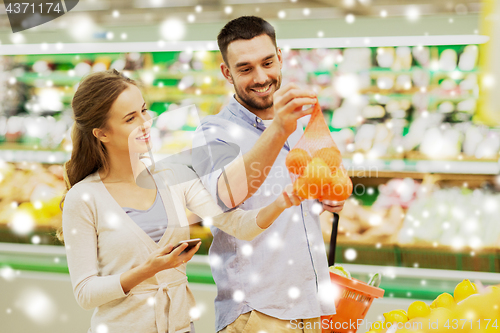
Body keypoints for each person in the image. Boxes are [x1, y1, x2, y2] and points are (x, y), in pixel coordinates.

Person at [60, 69, 305, 333]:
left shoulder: (172, 175)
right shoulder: (83, 198)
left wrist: (282, 202)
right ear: (102, 134)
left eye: (144, 110)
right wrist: (148, 270)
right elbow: (85, 293)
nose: (145, 123)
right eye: (130, 118)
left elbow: (237, 225)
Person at [192, 16, 346, 332]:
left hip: (309, 307)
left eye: (267, 62)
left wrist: (331, 196)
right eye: (245, 69)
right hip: (256, 314)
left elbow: (310, 192)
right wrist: (278, 128)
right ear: (227, 73)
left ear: (280, 56)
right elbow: (225, 196)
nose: (261, 77)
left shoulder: (300, 124)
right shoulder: (213, 133)